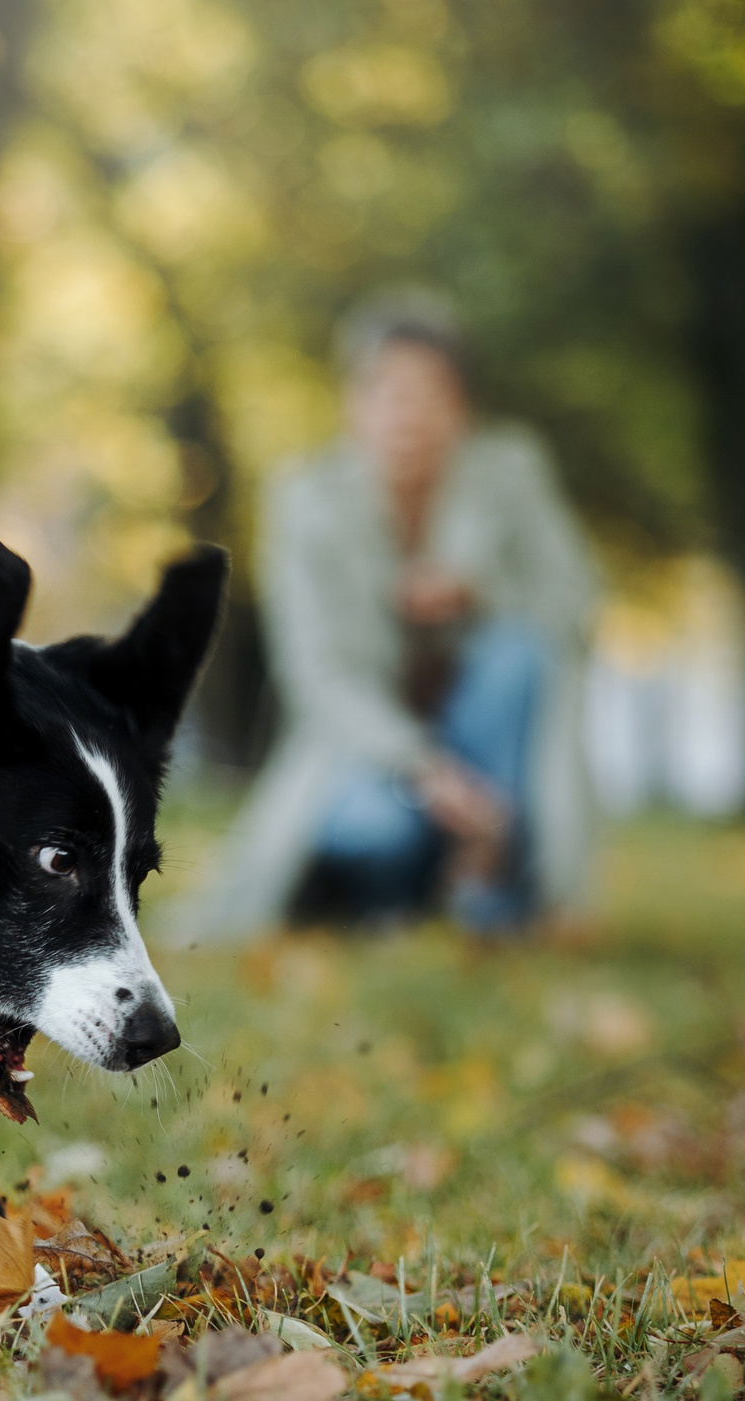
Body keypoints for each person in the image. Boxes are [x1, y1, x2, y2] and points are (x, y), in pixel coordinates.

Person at [172, 292, 599, 941]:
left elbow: (576, 602)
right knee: (373, 831)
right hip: (374, 751)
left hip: (491, 740)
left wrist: (477, 589)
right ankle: (397, 891)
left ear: (463, 408)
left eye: (430, 393)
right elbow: (319, 679)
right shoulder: (308, 500)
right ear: (354, 406)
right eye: (389, 393)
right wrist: (425, 769)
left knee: (521, 651)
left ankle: (496, 890)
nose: (409, 415)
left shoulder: (511, 472)